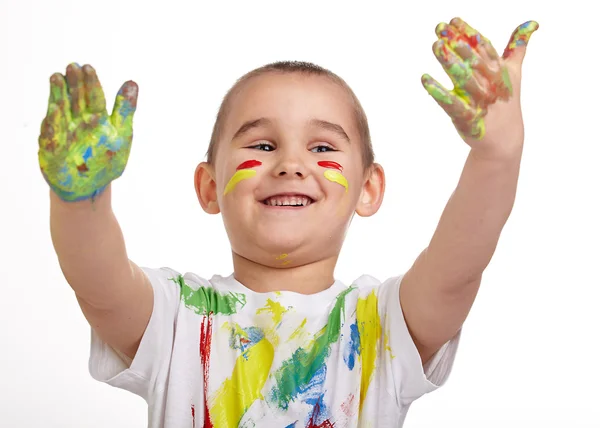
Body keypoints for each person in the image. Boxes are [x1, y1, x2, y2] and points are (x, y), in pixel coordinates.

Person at [38, 17, 538, 428]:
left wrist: (497, 155)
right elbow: (97, 282)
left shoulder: (385, 323)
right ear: (210, 187)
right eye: (261, 145)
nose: (291, 164)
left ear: (369, 189)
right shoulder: (175, 318)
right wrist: (81, 199)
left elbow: (459, 266)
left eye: (323, 148)